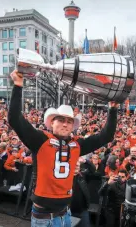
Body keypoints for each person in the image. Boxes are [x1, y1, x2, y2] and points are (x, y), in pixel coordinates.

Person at [8, 70, 118, 227]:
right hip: (44, 216)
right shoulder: (40, 140)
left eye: (69, 121)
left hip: (66, 213)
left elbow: (105, 136)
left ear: (73, 126)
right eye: (60, 119)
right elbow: (15, 119)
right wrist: (18, 85)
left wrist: (113, 109)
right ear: (51, 122)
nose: (65, 124)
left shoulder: (76, 144)